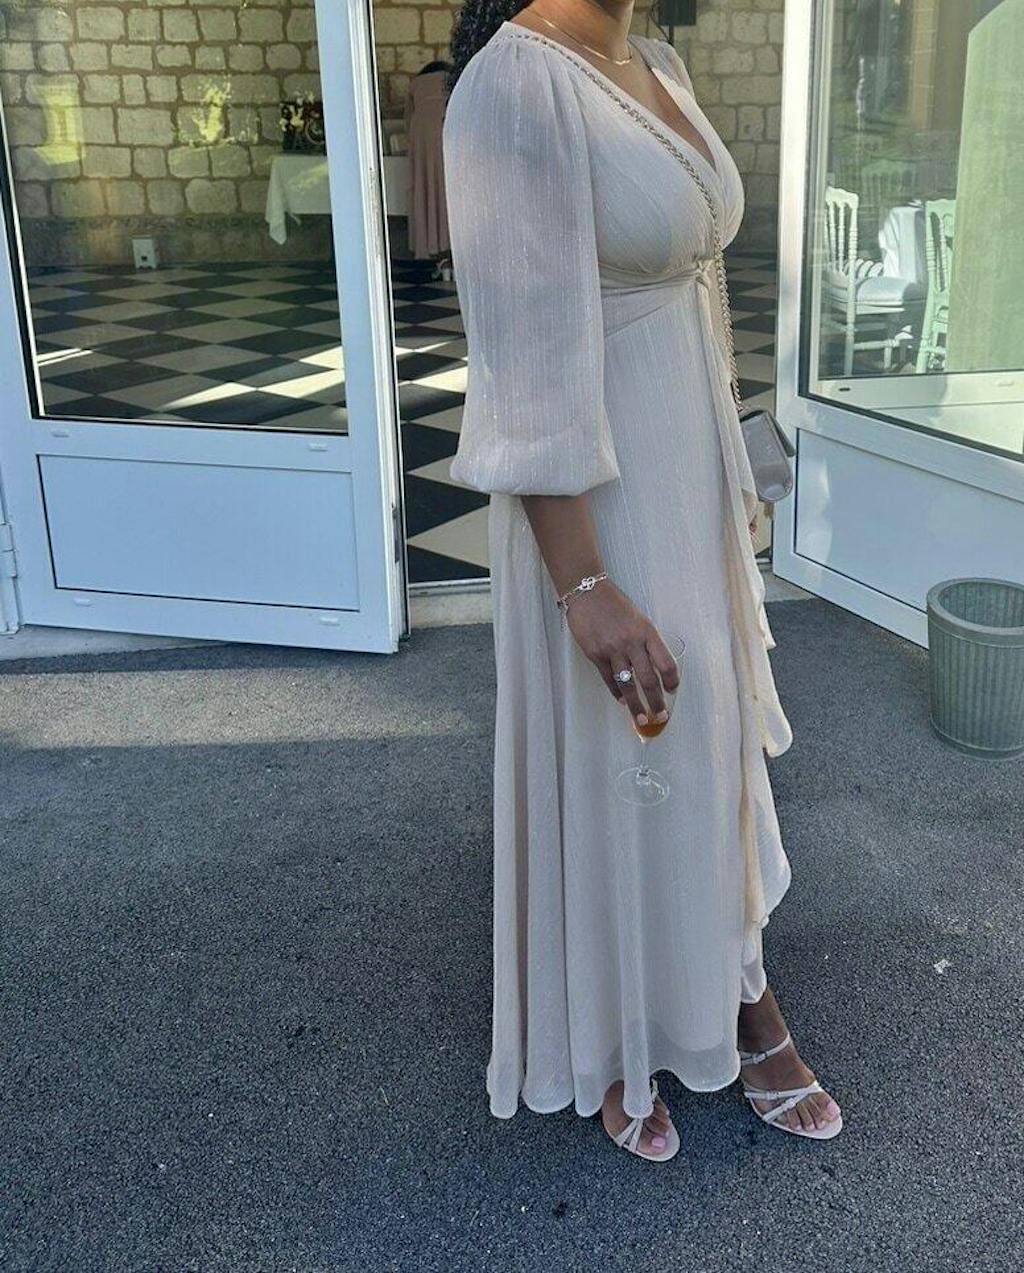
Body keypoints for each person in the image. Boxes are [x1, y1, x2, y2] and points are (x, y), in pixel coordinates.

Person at [442, 0, 843, 1160]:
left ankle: (735, 989)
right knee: (631, 744)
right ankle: (619, 1027)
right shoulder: (513, 85)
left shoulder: (652, 60)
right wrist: (582, 587)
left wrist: (735, 458)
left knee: (702, 739)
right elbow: (516, 361)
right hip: (597, 494)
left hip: (684, 461)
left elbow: (699, 283)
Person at [404, 60, 452, 274]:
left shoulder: (416, 84)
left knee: (426, 188)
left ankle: (432, 250)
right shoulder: (452, 78)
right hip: (447, 124)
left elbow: (407, 120)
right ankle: (450, 250)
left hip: (421, 133)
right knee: (448, 189)